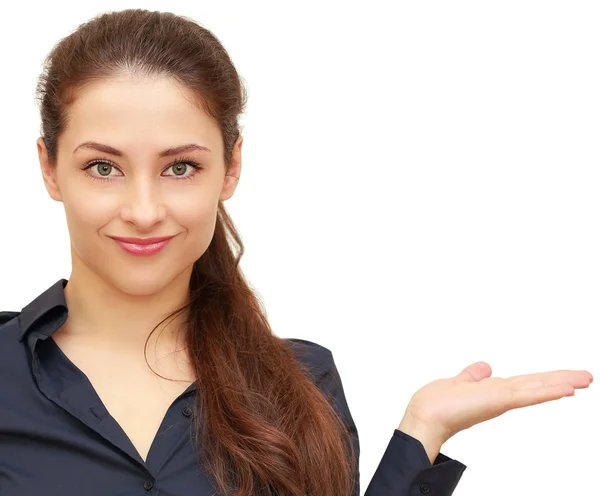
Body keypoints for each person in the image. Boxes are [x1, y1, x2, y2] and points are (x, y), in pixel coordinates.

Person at [0, 8, 592, 496]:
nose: (145, 209)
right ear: (49, 168)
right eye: (103, 167)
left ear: (231, 168)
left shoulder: (301, 386)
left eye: (181, 167)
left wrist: (422, 432)